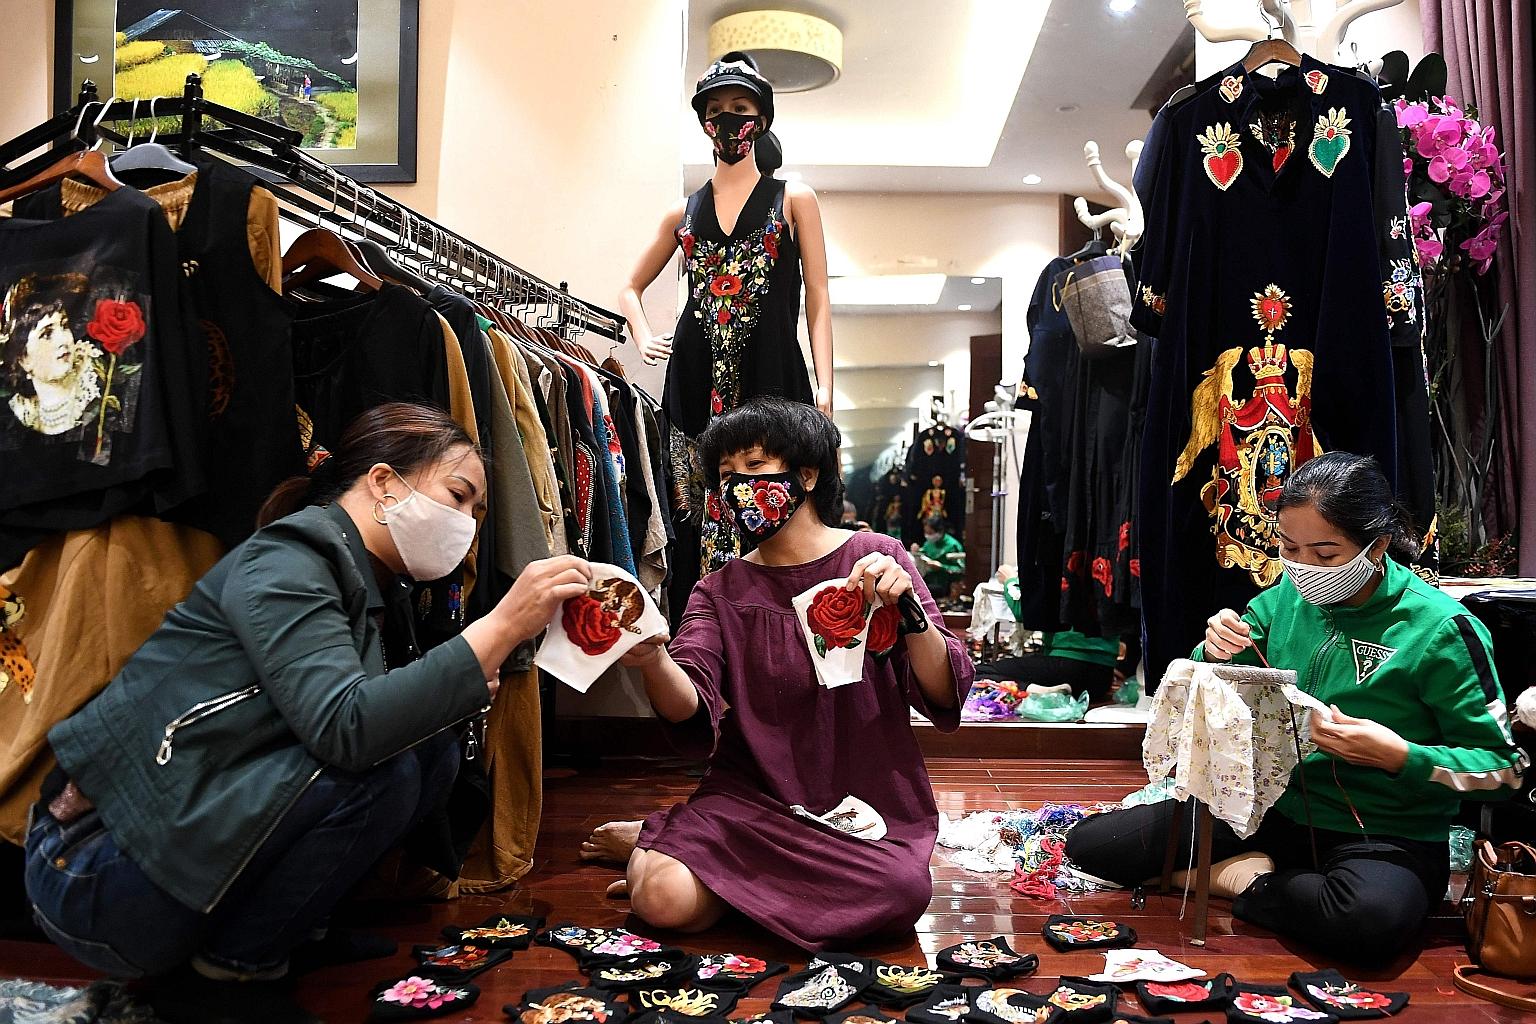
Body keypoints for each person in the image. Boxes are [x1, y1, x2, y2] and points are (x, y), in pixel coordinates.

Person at [24, 403, 592, 1024]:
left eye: (477, 513)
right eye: (459, 497)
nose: (468, 527)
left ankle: (286, 935)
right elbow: (347, 728)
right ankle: (229, 975)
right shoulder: (289, 560)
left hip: (170, 853)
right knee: (384, 766)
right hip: (94, 876)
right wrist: (503, 624)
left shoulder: (364, 578)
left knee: (426, 752)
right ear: (382, 483)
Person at [1066, 452, 1527, 966]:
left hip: (1383, 833)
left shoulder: (1441, 629)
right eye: (1289, 548)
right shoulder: (1286, 595)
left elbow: (1504, 770)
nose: (1305, 569)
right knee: (1091, 845)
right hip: (1269, 808)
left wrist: (1400, 755)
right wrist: (1213, 648)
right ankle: (1269, 879)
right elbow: (1217, 677)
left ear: (1375, 546)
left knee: (1368, 924)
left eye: (1326, 554)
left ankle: (1247, 880)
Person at [579, 398, 971, 950]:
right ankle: (684, 850)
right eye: (726, 476)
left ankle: (694, 859)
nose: (739, 487)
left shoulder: (876, 556)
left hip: (860, 809)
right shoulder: (718, 589)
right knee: (659, 900)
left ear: (806, 474)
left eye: (755, 468)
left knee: (902, 892)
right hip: (750, 802)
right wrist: (651, 659)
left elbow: (944, 691)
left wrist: (906, 615)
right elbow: (691, 702)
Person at [619, 51, 834, 592]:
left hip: (772, 376)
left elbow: (819, 298)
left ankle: (779, 631)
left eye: (741, 107)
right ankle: (708, 630)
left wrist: (827, 383)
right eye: (716, 110)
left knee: (779, 502)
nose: (729, 119)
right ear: (704, 123)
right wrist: (645, 336)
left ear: (760, 119)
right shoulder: (682, 213)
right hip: (694, 380)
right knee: (696, 510)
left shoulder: (794, 200)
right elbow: (630, 287)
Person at [974, 565, 1138, 704]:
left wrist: (1010, 580)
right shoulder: (1113, 566)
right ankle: (1043, 689)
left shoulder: (1062, 567)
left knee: (976, 672)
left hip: (1063, 669)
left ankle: (1032, 689)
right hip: (1101, 679)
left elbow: (1025, 611)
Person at [911, 514, 965, 600]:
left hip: (946, 586)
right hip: (927, 583)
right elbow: (922, 554)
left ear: (940, 531)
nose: (928, 535)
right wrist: (916, 551)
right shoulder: (928, 543)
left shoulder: (953, 545)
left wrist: (941, 567)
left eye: (930, 533)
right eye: (926, 533)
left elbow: (961, 569)